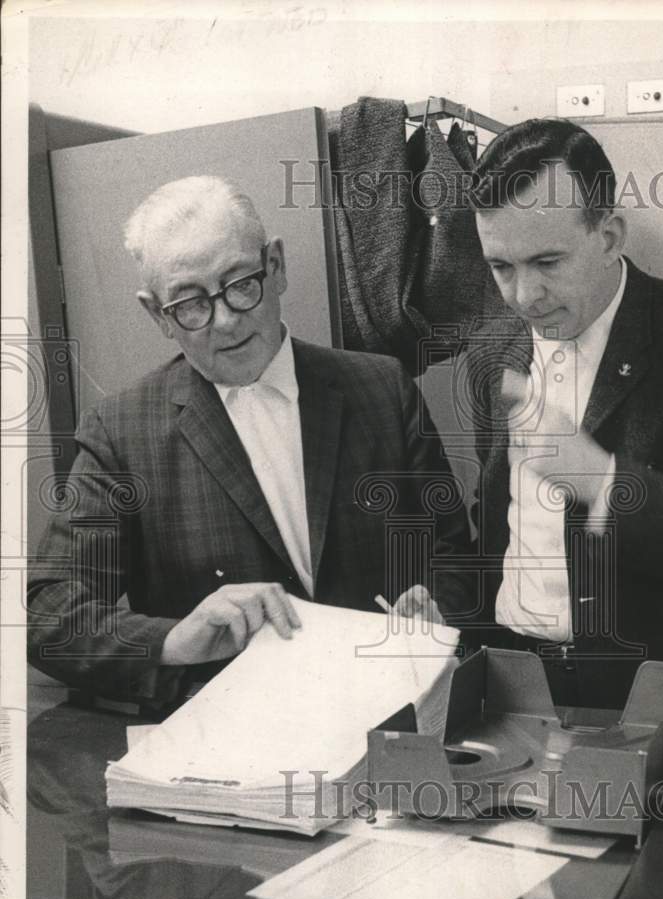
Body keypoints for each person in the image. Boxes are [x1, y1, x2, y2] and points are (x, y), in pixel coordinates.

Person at [27, 175, 472, 709]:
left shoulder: (382, 389)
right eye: (190, 304)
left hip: (386, 721)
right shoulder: (121, 432)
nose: (225, 320)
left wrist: (438, 615)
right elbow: (45, 614)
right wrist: (171, 640)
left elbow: (454, 555)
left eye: (241, 283)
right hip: (225, 738)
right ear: (155, 314)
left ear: (276, 266)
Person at [465, 118, 663, 708]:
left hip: (648, 693)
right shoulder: (490, 348)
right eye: (501, 266)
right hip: (511, 678)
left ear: (608, 237)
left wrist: (606, 485)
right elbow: (495, 521)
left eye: (548, 262)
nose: (524, 297)